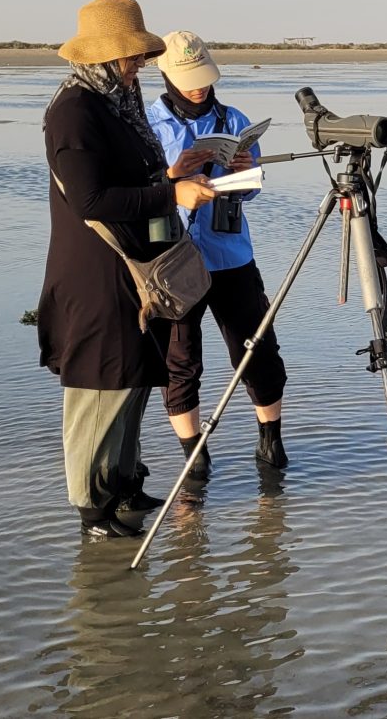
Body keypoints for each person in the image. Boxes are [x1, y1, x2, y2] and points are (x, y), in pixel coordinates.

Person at [37, 0, 216, 538]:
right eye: (132, 57)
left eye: (140, 55)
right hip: (95, 272)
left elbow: (132, 179)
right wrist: (170, 196)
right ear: (103, 57)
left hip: (134, 263)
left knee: (135, 378)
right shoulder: (73, 111)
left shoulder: (119, 99)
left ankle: (123, 484)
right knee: (99, 391)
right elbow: (91, 201)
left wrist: (170, 175)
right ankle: (92, 510)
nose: (140, 64)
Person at [144, 30, 290, 478]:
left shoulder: (233, 118)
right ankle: (194, 455)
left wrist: (247, 173)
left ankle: (271, 441)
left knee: (258, 349)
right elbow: (136, 195)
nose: (199, 87)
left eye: (204, 78)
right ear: (166, 75)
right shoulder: (146, 124)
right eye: (189, 79)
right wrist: (173, 175)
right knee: (181, 360)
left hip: (231, 256)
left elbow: (251, 193)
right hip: (172, 259)